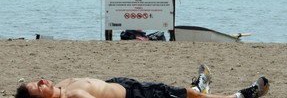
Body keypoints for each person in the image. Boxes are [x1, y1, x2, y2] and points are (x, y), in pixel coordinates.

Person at [15, 64, 269, 98]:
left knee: (176, 92)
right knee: (181, 96)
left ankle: (197, 87)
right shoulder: (74, 97)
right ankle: (240, 96)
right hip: (134, 96)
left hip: (123, 84)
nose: (41, 81)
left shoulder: (60, 86)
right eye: (38, 87)